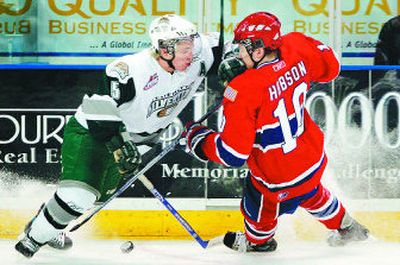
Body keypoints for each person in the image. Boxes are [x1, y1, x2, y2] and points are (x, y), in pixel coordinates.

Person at [15, 14, 221, 258]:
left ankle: (47, 220)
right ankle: (29, 243)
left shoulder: (200, 55)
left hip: (138, 141)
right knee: (79, 195)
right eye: (184, 48)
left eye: (191, 44)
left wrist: (233, 66)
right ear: (164, 50)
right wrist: (120, 146)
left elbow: (240, 49)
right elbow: (99, 109)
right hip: (96, 133)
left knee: (91, 196)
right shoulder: (130, 69)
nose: (191, 53)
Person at [185, 12, 369, 252]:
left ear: (258, 51)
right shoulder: (295, 45)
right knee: (309, 191)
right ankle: (347, 226)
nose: (239, 54)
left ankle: (259, 242)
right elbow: (331, 67)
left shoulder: (242, 90)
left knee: (259, 205)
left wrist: (198, 138)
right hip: (310, 159)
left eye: (242, 48)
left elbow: (232, 154)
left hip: (276, 176)